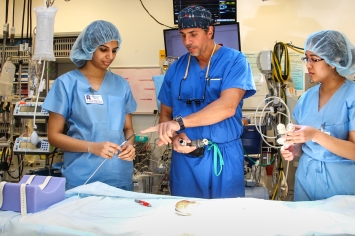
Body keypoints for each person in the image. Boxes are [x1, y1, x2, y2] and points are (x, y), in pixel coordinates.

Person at [141, 6, 256, 199]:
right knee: (186, 220)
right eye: (183, 35)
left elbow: (227, 107)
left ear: (209, 31)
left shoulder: (235, 61)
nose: (187, 42)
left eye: (193, 34)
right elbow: (166, 114)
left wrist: (179, 123)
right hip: (186, 159)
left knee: (225, 222)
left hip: (224, 157)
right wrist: (174, 137)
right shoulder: (176, 69)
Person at [280, 30, 355, 201]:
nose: (308, 65)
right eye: (306, 58)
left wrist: (315, 134)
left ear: (335, 61)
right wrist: (293, 149)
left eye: (314, 59)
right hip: (306, 182)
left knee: (339, 228)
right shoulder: (306, 98)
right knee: (306, 227)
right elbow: (307, 147)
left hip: (340, 185)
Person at [42, 20, 137, 190]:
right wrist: (91, 147)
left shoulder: (121, 85)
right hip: (82, 177)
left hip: (119, 175)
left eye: (114, 50)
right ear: (89, 47)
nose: (110, 56)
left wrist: (130, 145)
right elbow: (54, 136)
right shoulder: (66, 84)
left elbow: (128, 128)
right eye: (103, 49)